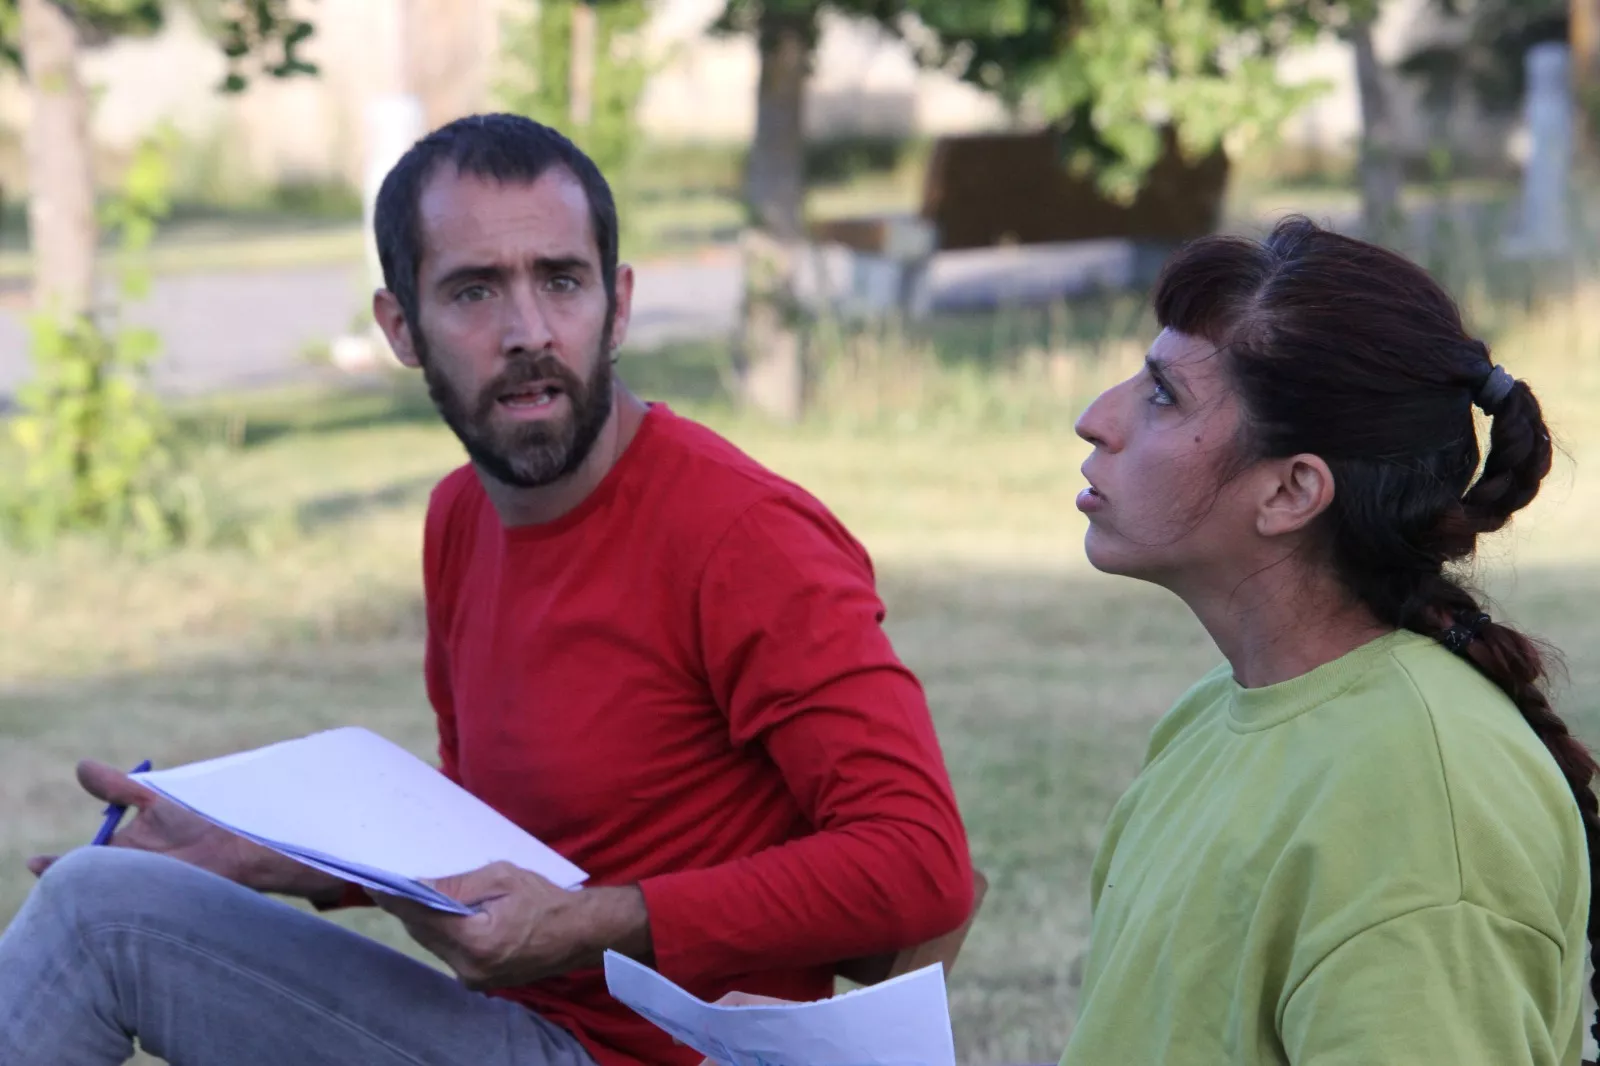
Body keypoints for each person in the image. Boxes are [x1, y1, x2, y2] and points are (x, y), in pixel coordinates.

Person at [0, 114, 974, 1066]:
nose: (527, 330)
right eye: (473, 291)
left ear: (619, 303)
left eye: (561, 280)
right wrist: (271, 853)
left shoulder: (743, 535)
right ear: (401, 327)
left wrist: (599, 924)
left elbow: (920, 865)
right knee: (102, 894)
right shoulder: (461, 517)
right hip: (520, 1031)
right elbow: (507, 831)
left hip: (646, 1051)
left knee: (95, 920)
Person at [1062, 216, 1593, 1065]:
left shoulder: (1421, 806)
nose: (1096, 419)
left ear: (1291, 491)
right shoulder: (1215, 714)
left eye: (1163, 395)